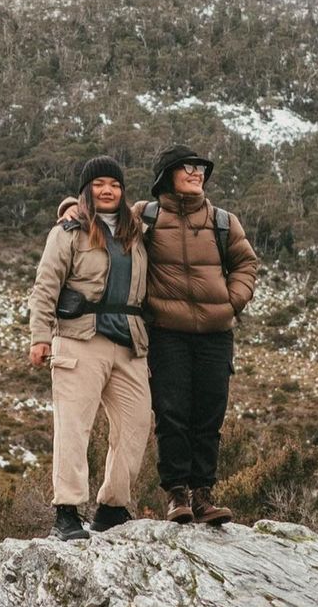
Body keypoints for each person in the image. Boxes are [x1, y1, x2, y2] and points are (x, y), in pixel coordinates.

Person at [59, 144, 257, 526]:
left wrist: (232, 302)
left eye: (201, 168)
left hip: (216, 335)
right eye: (188, 167)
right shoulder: (144, 216)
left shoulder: (223, 221)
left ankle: (203, 496)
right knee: (171, 413)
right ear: (167, 175)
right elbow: (106, 216)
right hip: (166, 334)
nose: (197, 173)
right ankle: (177, 495)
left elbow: (246, 263)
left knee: (210, 416)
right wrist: (71, 206)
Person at [29, 156, 152, 541]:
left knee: (136, 425)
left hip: (129, 343)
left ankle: (112, 508)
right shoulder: (68, 231)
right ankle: (66, 513)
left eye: (114, 185)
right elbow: (45, 286)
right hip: (79, 338)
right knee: (73, 427)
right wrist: (40, 336)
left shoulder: (137, 232)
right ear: (86, 190)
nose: (107, 190)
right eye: (99, 184)